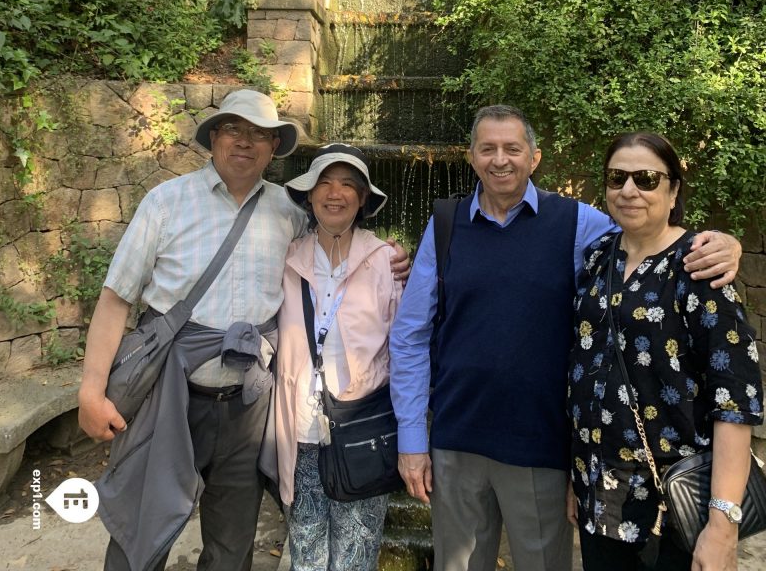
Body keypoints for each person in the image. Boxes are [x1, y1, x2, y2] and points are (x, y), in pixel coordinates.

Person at [389, 104, 743, 571]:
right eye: (488, 149)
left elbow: (653, 236)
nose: (500, 159)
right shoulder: (446, 225)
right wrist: (412, 437)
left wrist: (722, 243)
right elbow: (410, 336)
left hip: (540, 446)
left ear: (534, 157)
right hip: (456, 441)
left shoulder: (580, 224)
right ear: (471, 157)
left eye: (513, 148)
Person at [78, 90, 409, 571]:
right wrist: (91, 391)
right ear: (214, 137)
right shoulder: (166, 203)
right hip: (169, 394)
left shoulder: (289, 214)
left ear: (274, 148)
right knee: (141, 532)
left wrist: (391, 255)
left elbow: (336, 248)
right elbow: (115, 298)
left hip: (248, 406)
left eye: (259, 134)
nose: (245, 142)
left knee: (232, 546)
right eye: (234, 129)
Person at [567, 131, 764, 571]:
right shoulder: (598, 258)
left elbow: (734, 400)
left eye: (646, 179)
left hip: (671, 506)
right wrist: (577, 479)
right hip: (598, 494)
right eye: (617, 178)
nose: (628, 190)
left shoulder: (699, 267)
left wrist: (723, 524)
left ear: (673, 191)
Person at [275, 143, 402, 571]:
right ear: (310, 195)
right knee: (306, 553)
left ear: (362, 198)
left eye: (348, 185)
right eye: (324, 183)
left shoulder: (386, 261)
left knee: (355, 557)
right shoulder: (288, 258)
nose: (335, 193)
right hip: (300, 430)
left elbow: (405, 350)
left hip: (362, 429)